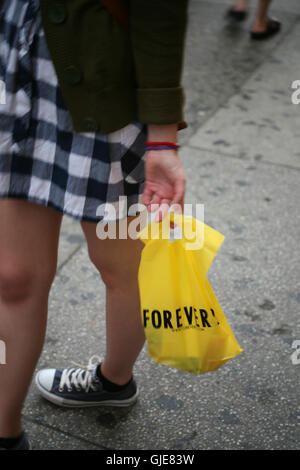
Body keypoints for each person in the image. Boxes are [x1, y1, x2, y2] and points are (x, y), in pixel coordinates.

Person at [0, 0, 189, 450]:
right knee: (13, 277)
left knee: (120, 265)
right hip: (14, 77)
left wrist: (163, 137)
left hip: (107, 94)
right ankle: (4, 432)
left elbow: (161, 12)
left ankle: (114, 379)